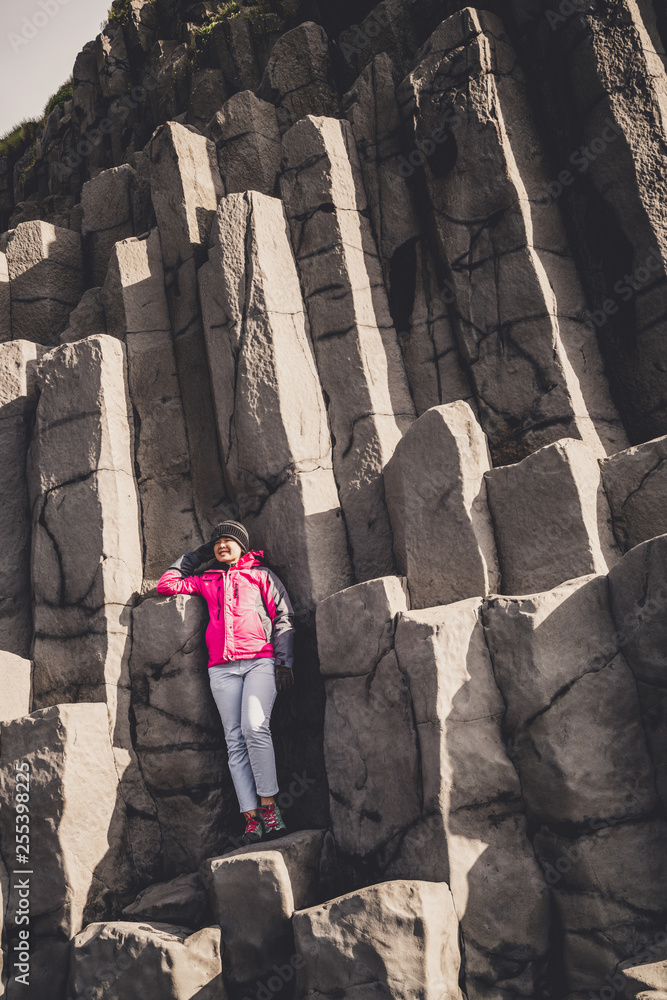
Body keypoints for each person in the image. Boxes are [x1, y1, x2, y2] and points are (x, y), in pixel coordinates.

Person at [157, 520, 295, 845]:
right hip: (221, 669)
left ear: (242, 546)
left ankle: (270, 809)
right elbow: (166, 584)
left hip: (260, 661)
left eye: (228, 540)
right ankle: (250, 819)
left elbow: (284, 616)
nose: (221, 545)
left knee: (254, 728)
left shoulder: (261, 576)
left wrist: (285, 662)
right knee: (234, 740)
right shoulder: (207, 579)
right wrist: (197, 554)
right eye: (216, 542)